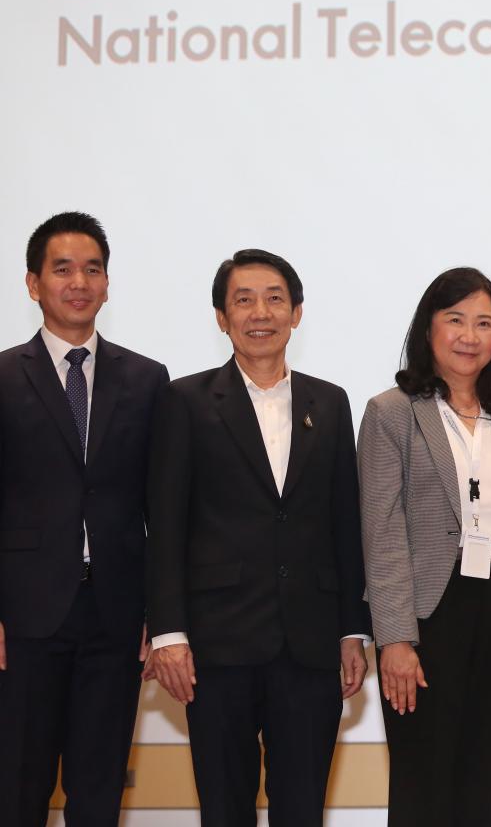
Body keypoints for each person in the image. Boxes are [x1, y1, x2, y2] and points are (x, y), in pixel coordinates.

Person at [146, 249, 371, 827]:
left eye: (274, 298)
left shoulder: (332, 401)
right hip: (217, 645)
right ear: (222, 317)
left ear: (297, 312)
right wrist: (169, 632)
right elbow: (165, 522)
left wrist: (353, 628)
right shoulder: (186, 401)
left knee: (302, 810)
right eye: (242, 300)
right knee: (225, 808)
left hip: (311, 645)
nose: (259, 312)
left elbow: (346, 523)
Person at [358, 267, 491, 825]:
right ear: (428, 330)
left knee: (477, 772)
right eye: (456, 320)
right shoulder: (391, 412)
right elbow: (382, 532)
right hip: (425, 614)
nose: (470, 336)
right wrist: (394, 637)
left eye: (484, 323)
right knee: (424, 778)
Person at [0, 213, 168, 827]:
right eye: (63, 269)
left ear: (107, 283)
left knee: (98, 793)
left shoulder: (147, 380)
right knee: (18, 788)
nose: (79, 282)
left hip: (116, 618)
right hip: (24, 621)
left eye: (92, 269)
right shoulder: (2, 376)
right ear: (32, 282)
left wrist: (162, 614)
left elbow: (163, 508)